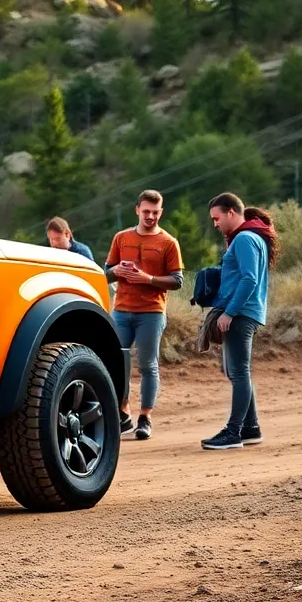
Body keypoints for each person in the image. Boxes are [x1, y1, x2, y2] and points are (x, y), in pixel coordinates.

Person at [201, 193, 279, 451]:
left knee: (238, 371)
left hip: (242, 313)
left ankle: (233, 432)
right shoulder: (251, 237)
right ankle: (251, 427)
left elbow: (249, 280)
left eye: (217, 218)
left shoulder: (245, 239)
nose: (215, 224)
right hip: (248, 311)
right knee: (236, 371)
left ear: (231, 212)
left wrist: (229, 312)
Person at [105, 189, 184, 441]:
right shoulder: (121, 238)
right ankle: (122, 412)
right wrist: (116, 270)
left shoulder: (168, 242)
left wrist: (147, 278)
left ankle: (145, 416)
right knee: (116, 363)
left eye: (155, 212)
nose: (150, 216)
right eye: (146, 211)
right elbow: (106, 273)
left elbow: (177, 281)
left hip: (151, 311)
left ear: (161, 212)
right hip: (122, 310)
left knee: (148, 365)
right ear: (137, 210)